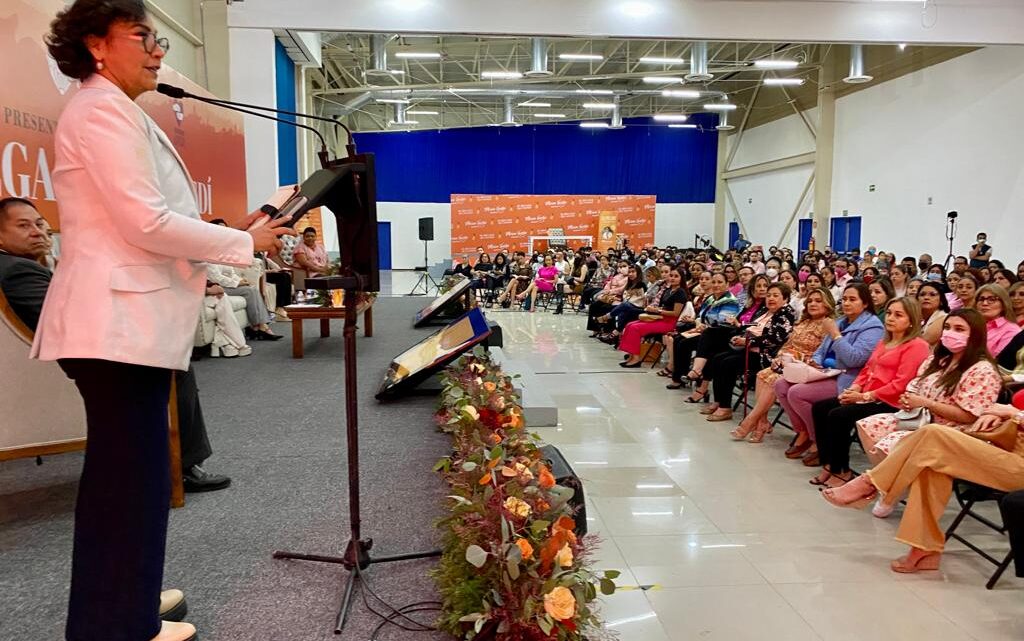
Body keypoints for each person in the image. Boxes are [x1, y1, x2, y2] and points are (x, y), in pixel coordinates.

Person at [38, 4, 293, 639]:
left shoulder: (112, 108)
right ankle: (113, 623)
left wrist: (237, 236)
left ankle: (125, 602)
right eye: (143, 38)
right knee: (127, 486)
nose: (158, 51)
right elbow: (145, 225)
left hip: (127, 326)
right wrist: (244, 243)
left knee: (138, 481)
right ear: (97, 44)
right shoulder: (98, 111)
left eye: (157, 38)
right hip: (114, 326)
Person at [822, 402, 1024, 573]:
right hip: (1006, 444)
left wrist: (1014, 415)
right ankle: (924, 548)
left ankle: (871, 483)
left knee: (932, 435)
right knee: (930, 459)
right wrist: (999, 414)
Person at [857, 309, 1003, 494]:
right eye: (948, 327)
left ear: (974, 335)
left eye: (959, 329)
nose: (950, 333)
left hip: (952, 431)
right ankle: (890, 487)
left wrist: (926, 403)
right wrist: (908, 398)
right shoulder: (938, 359)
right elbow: (914, 384)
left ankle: (886, 490)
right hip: (919, 418)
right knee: (868, 425)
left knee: (891, 442)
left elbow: (968, 415)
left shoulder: (983, 370)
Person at [810, 297, 931, 487]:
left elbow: (901, 383)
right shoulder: (885, 341)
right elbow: (866, 370)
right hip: (867, 396)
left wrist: (865, 396)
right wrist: (855, 388)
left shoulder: (917, 346)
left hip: (890, 401)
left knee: (838, 416)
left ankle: (841, 470)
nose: (890, 318)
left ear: (911, 321)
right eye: (889, 313)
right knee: (820, 407)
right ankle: (829, 463)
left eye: (898, 315)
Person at [774, 283, 884, 466]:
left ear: (865, 303)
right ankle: (804, 431)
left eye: (852, 299)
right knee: (781, 384)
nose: (847, 303)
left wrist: (835, 335)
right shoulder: (841, 321)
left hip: (848, 378)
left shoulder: (873, 327)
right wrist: (816, 360)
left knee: (797, 393)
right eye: (845, 299)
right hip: (825, 372)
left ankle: (819, 441)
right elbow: (821, 350)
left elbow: (854, 360)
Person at [733, 287, 835, 444]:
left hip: (810, 366)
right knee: (763, 374)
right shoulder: (803, 321)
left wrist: (794, 360)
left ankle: (751, 420)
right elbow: (787, 345)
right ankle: (761, 423)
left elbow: (822, 353)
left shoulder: (829, 325)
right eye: (810, 301)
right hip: (789, 361)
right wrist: (780, 357)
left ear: (828, 304)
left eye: (818, 301)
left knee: (773, 378)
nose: (812, 304)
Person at [703, 283, 796, 423]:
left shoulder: (785, 313)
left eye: (776, 296)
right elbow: (750, 325)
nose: (771, 298)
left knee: (728, 364)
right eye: (769, 295)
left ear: (785, 299)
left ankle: (725, 407)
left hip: (764, 355)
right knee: (717, 359)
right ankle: (718, 400)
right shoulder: (765, 310)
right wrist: (739, 335)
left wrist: (748, 342)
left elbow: (775, 338)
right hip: (747, 348)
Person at [618, 266, 689, 367]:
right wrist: (653, 309)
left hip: (669, 323)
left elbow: (675, 313)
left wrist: (658, 310)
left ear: (681, 278)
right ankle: (631, 356)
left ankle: (636, 359)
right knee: (630, 324)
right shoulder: (667, 290)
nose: (673, 278)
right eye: (671, 275)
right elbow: (661, 305)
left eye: (676, 276)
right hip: (659, 318)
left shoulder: (680, 292)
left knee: (635, 328)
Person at [975, 283, 1022, 357]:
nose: (985, 303)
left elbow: (999, 362)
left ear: (1003, 304)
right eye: (981, 299)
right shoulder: (972, 325)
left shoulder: (1012, 330)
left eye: (992, 299)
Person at [916, 281, 950, 346]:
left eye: (932, 295)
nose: (926, 298)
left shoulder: (943, 318)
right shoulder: (919, 318)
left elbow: (922, 343)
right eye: (922, 294)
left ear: (941, 301)